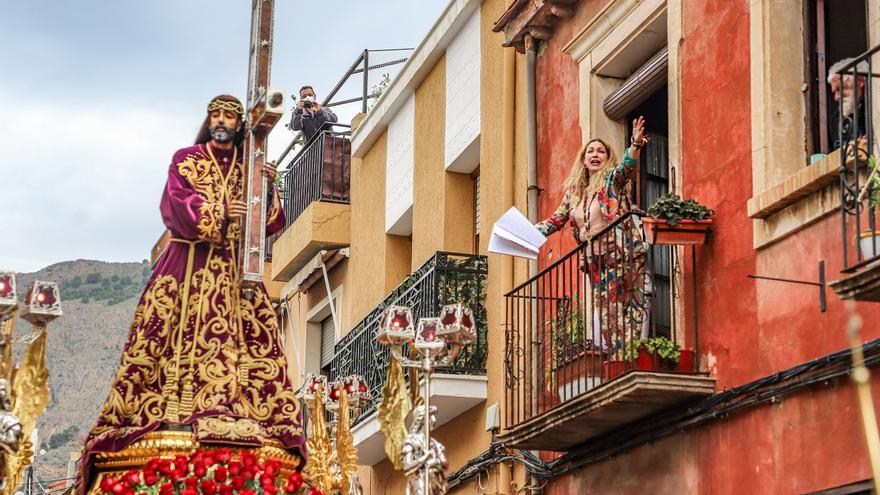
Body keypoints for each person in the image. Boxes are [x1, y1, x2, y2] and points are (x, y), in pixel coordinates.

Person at [77, 95, 305, 494]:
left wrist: (266, 187)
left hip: (236, 277)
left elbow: (269, 224)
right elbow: (176, 204)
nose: (221, 121)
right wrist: (220, 212)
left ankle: (242, 411)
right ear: (208, 120)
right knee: (158, 339)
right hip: (187, 264)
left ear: (239, 124)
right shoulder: (186, 158)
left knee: (253, 345)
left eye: (229, 116)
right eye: (215, 114)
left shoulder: (249, 169)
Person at [535, 116, 649, 354]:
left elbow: (625, 169)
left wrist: (635, 145)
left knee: (626, 307)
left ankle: (629, 356)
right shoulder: (575, 194)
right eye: (591, 151)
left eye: (601, 151)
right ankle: (619, 356)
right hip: (596, 262)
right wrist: (527, 233)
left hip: (621, 255)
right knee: (607, 313)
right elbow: (556, 220)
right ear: (584, 159)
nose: (595, 154)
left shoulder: (610, 183)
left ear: (607, 158)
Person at [828, 58, 868, 151]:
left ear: (860, 81)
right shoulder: (840, 118)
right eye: (834, 92)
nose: (836, 97)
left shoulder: (874, 106)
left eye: (840, 89)